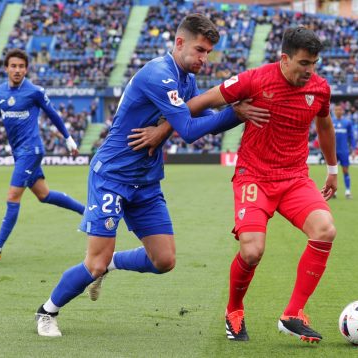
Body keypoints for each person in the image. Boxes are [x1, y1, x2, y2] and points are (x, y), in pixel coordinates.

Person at [32, 14, 268, 338]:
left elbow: (202, 116)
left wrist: (232, 114)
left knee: (164, 260)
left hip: (146, 181)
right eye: (200, 50)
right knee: (93, 263)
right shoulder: (160, 74)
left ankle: (112, 263)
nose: (204, 58)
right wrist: (233, 113)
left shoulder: (186, 79)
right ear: (179, 42)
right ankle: (47, 311)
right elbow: (187, 129)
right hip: (112, 177)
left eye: (209, 52)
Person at [132, 26, 337, 343]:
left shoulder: (320, 89)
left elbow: (325, 125)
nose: (310, 72)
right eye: (303, 64)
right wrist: (161, 131)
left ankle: (293, 313)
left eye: (314, 64)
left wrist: (332, 168)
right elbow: (198, 103)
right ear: (284, 59)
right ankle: (234, 310)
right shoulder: (254, 79)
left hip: (295, 178)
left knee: (325, 229)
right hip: (254, 176)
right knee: (253, 251)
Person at [0, 49, 85, 262]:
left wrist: (68, 139)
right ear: (6, 68)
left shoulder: (34, 91)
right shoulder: (0, 93)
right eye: (13, 66)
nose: (17, 70)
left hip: (32, 151)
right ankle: (87, 213)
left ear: (26, 69)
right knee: (44, 195)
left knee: (12, 196)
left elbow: (53, 115)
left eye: (21, 66)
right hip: (19, 153)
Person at [331, 104, 355, 198]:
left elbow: (351, 137)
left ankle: (348, 191)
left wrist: (353, 150)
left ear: (342, 111)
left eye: (339, 110)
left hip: (344, 151)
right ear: (334, 111)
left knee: (345, 170)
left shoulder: (347, 123)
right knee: (333, 172)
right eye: (336, 110)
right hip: (333, 151)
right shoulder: (331, 121)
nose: (338, 111)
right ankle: (333, 192)